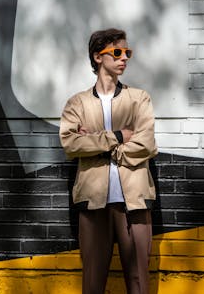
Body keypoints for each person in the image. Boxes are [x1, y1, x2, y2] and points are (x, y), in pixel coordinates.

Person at [59, 28, 158, 294]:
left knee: (138, 283)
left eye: (127, 52)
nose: (124, 57)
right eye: (117, 52)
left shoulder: (139, 99)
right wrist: (117, 136)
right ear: (97, 56)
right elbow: (70, 144)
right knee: (92, 284)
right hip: (93, 203)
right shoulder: (76, 103)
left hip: (134, 202)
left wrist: (97, 144)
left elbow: (146, 144)